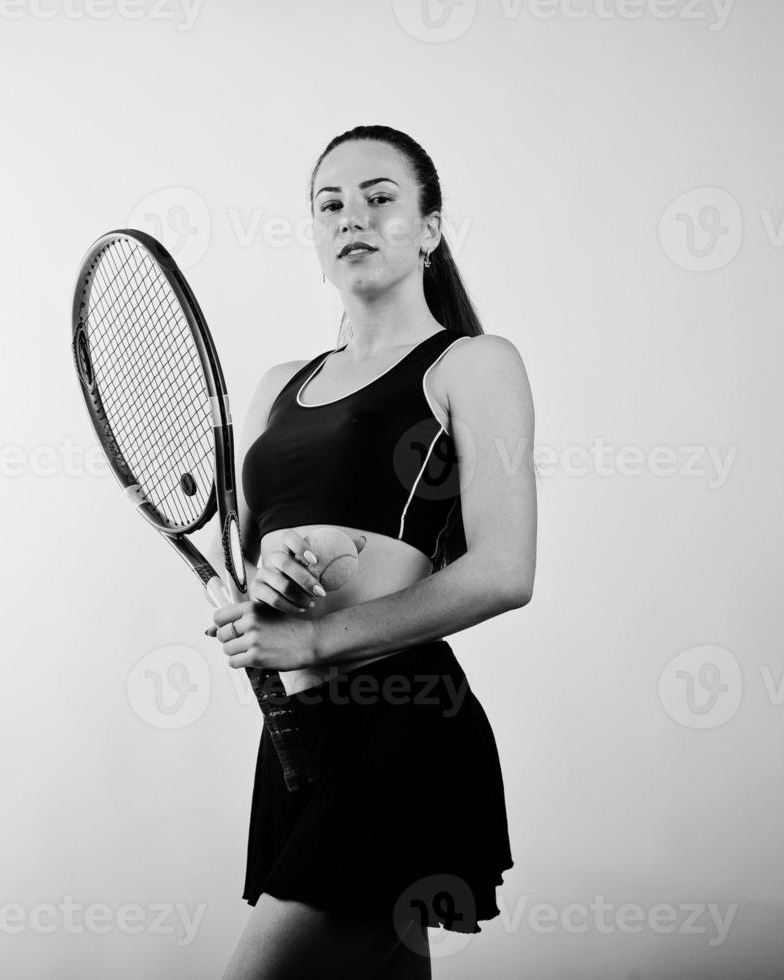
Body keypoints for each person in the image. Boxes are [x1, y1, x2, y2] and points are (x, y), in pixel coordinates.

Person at [207, 124, 538, 979]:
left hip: (401, 723)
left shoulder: (471, 364)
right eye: (330, 204)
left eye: (380, 197)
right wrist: (260, 593)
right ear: (315, 239)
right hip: (295, 732)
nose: (351, 216)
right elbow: (257, 574)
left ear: (428, 228)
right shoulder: (280, 384)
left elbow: (505, 571)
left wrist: (312, 639)